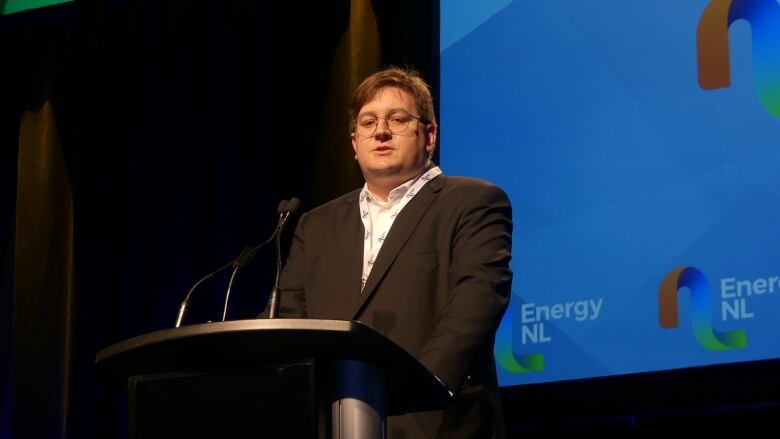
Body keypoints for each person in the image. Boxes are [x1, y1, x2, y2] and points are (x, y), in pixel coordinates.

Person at [276, 66, 512, 438]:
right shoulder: (316, 225)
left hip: (435, 421)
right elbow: (288, 323)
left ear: (429, 135)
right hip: (333, 424)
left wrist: (407, 393)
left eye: (397, 119)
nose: (381, 131)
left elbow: (474, 308)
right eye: (368, 123)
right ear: (354, 143)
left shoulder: (473, 202)